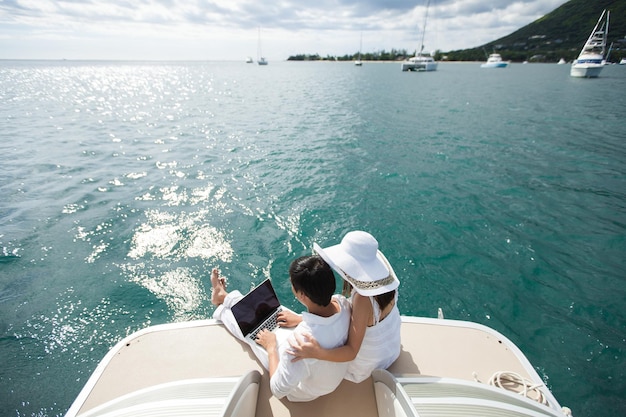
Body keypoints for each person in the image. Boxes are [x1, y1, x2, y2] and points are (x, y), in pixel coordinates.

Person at [210, 255, 351, 401]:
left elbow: (278, 390)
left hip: (306, 391)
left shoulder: (299, 344)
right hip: (327, 378)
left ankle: (222, 306)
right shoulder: (344, 304)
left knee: (251, 329)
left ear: (302, 295)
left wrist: (271, 347)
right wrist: (300, 319)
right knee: (277, 316)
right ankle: (225, 297)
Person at [287, 231, 401, 383]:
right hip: (391, 350)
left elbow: (351, 352)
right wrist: (301, 318)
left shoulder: (363, 299)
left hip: (369, 364)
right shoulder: (385, 283)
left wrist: (317, 352)